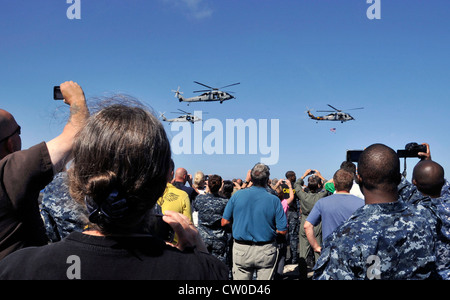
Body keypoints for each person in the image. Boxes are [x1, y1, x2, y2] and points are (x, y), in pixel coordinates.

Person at [0, 101, 228, 280]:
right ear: (161, 185)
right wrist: (202, 258)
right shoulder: (201, 272)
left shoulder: (16, 268)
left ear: (76, 181)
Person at [313, 144, 438, 280]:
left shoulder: (343, 238)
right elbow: (430, 193)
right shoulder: (427, 218)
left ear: (358, 179)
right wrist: (426, 162)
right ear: (397, 179)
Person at [0, 81, 89, 260]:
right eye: (18, 130)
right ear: (10, 143)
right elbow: (76, 136)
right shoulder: (9, 173)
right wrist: (77, 99)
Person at [221, 163, 287, 280]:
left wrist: (237, 227)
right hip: (266, 249)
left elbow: (224, 222)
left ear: (250, 178)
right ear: (267, 180)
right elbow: (282, 231)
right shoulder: (274, 200)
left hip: (242, 249)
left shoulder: (237, 195)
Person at [304, 169, 364, 254]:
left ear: (334, 184)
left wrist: (316, 247)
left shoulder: (322, 203)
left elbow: (307, 226)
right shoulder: (361, 203)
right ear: (351, 185)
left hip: (330, 252)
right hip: (353, 252)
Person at [294, 169, 328, 278]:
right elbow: (328, 185)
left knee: (303, 252)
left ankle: (302, 275)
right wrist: (320, 176)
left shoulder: (303, 196)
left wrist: (304, 175)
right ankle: (318, 274)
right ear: (318, 185)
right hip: (317, 223)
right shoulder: (321, 195)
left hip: (305, 221)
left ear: (307, 186)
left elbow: (296, 184)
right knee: (318, 250)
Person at [193, 175, 229, 265]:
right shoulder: (225, 202)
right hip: (219, 238)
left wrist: (207, 191)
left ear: (208, 185)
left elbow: (196, 208)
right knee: (218, 267)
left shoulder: (200, 199)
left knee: (202, 265)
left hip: (203, 238)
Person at [157, 160, 193, 244]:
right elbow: (188, 227)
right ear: (172, 173)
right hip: (174, 247)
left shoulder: (146, 193)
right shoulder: (182, 195)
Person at [282, 171, 300, 264]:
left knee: (285, 236)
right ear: (292, 177)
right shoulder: (295, 186)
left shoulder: (282, 186)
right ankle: (293, 258)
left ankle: (284, 258)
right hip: (292, 212)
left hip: (284, 212)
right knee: (293, 236)